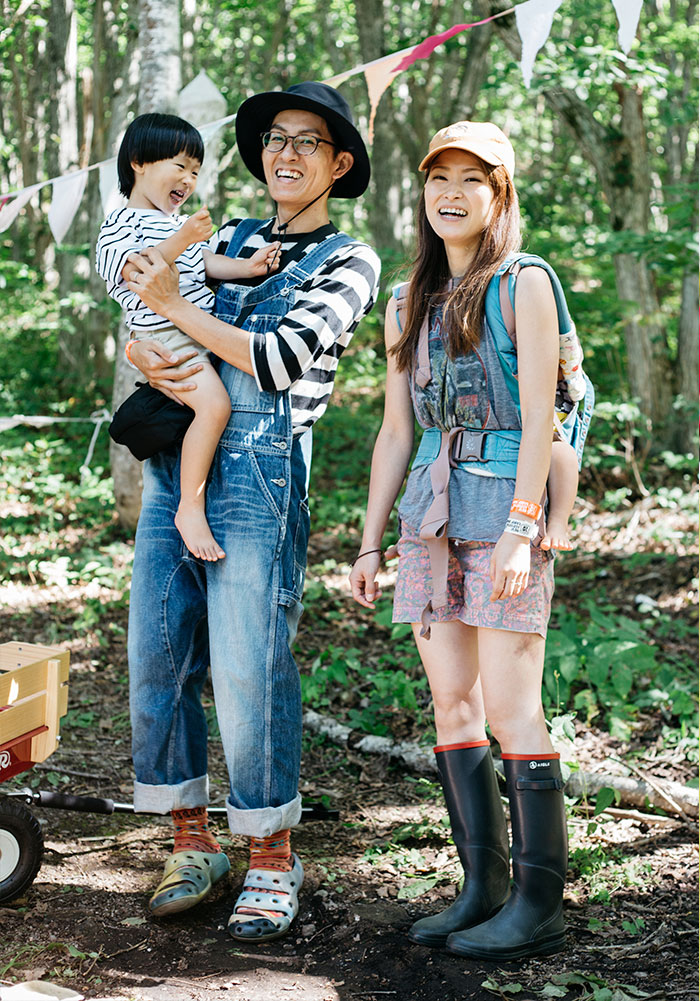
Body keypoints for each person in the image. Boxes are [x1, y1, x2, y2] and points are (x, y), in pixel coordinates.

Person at [120, 83, 379, 942]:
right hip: (175, 465)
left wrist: (173, 308)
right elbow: (142, 310)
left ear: (338, 166)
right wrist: (144, 345)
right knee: (158, 654)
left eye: (308, 141)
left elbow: (275, 359)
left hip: (263, 476)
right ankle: (191, 842)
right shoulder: (224, 237)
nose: (286, 153)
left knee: (247, 667)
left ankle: (271, 851)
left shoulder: (350, 260)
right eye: (275, 137)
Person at [350, 120, 570, 961]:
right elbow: (395, 429)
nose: (451, 192)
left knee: (513, 707)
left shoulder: (524, 283)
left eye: (471, 179)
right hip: (430, 511)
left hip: (504, 505)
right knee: (453, 702)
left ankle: (537, 902)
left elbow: (542, 415)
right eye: (438, 177)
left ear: (499, 193)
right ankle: (482, 887)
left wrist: (522, 528)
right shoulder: (405, 300)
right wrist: (371, 542)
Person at [96, 113, 280, 561]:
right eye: (179, 166)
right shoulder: (120, 223)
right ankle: (189, 508)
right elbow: (139, 271)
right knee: (215, 407)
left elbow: (203, 263)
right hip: (166, 333)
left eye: (195, 171)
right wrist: (183, 237)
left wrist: (247, 267)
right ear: (139, 162)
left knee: (212, 406)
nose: (188, 179)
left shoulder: (173, 222)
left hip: (197, 327)